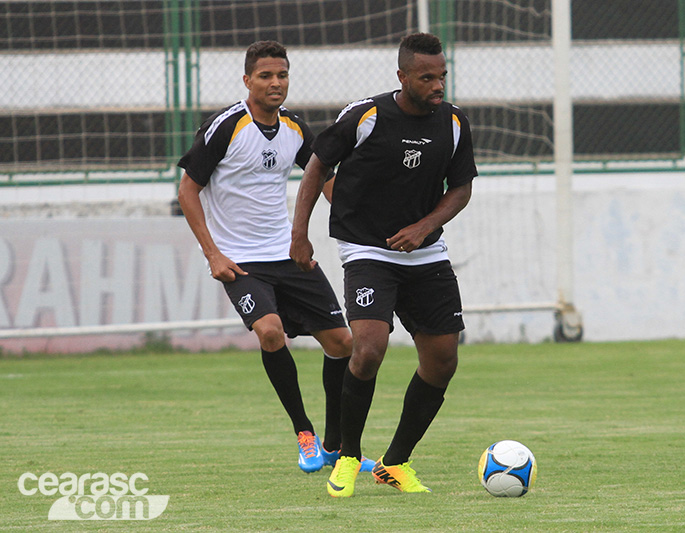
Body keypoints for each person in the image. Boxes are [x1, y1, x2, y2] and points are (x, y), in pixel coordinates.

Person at [290, 32, 478, 497]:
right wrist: (300, 234)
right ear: (402, 77)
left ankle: (395, 462)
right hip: (368, 247)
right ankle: (349, 456)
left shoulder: (454, 123)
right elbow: (316, 166)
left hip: (425, 252)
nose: (437, 85)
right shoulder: (365, 115)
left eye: (442, 76)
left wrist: (424, 226)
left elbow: (461, 189)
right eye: (426, 77)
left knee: (443, 361)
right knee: (369, 348)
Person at [176, 40, 374, 474]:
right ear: (247, 81)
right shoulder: (226, 127)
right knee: (270, 331)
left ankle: (337, 446)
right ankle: (304, 433)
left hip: (287, 255)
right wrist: (213, 254)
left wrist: (361, 218)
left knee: (343, 344)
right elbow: (188, 189)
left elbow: (321, 175)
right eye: (265, 76)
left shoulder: (296, 129)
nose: (275, 83)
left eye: (282, 75)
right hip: (242, 262)